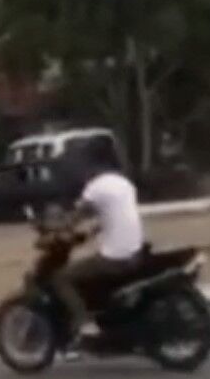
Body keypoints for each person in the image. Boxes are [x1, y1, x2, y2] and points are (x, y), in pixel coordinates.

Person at [54, 137, 144, 346]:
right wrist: (97, 228)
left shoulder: (96, 187)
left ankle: (85, 323)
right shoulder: (123, 183)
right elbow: (114, 214)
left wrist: (58, 228)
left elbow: (76, 217)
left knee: (61, 278)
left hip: (116, 257)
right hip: (135, 250)